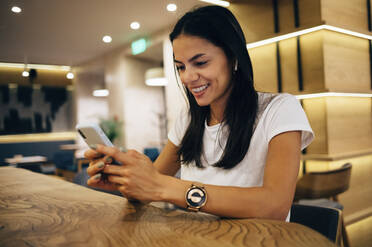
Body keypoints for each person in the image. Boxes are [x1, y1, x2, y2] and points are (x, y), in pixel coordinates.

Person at [85, 5, 314, 221]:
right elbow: (151, 185)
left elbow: (274, 205)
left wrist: (166, 187)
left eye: (201, 63)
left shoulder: (279, 109)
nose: (187, 77)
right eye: (181, 67)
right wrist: (125, 180)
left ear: (233, 58)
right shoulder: (188, 120)